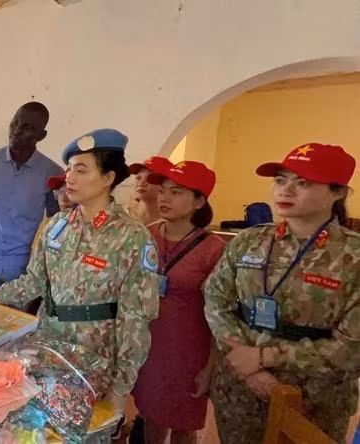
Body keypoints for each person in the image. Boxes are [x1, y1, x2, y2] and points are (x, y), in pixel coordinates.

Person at [0, 128, 160, 418]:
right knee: (39, 426)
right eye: (70, 168)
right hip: (48, 350)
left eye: (81, 170)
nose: (69, 178)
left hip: (95, 361)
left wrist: (121, 388)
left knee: (84, 431)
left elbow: (135, 321)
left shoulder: (132, 237)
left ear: (108, 178)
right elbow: (34, 280)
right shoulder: (58, 226)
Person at [204, 143, 360, 443]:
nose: (286, 190)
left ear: (339, 192)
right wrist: (245, 361)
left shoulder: (352, 256)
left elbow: (352, 348)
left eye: (303, 183)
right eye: (280, 180)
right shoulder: (250, 240)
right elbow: (215, 299)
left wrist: (267, 357)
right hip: (239, 390)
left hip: (313, 400)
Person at [131, 161, 226, 444]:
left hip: (189, 351)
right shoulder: (147, 236)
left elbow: (221, 314)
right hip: (150, 344)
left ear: (199, 201)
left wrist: (211, 366)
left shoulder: (214, 250)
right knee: (150, 413)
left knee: (185, 423)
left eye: (176, 192)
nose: (164, 198)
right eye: (163, 190)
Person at [0, 102, 64, 293]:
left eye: (27, 127)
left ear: (41, 135)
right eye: (15, 123)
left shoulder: (52, 172)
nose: (16, 130)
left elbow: (55, 221)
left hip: (23, 276)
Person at [127, 156, 173, 225]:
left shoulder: (174, 224)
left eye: (149, 178)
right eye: (138, 178)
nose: (141, 183)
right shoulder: (121, 216)